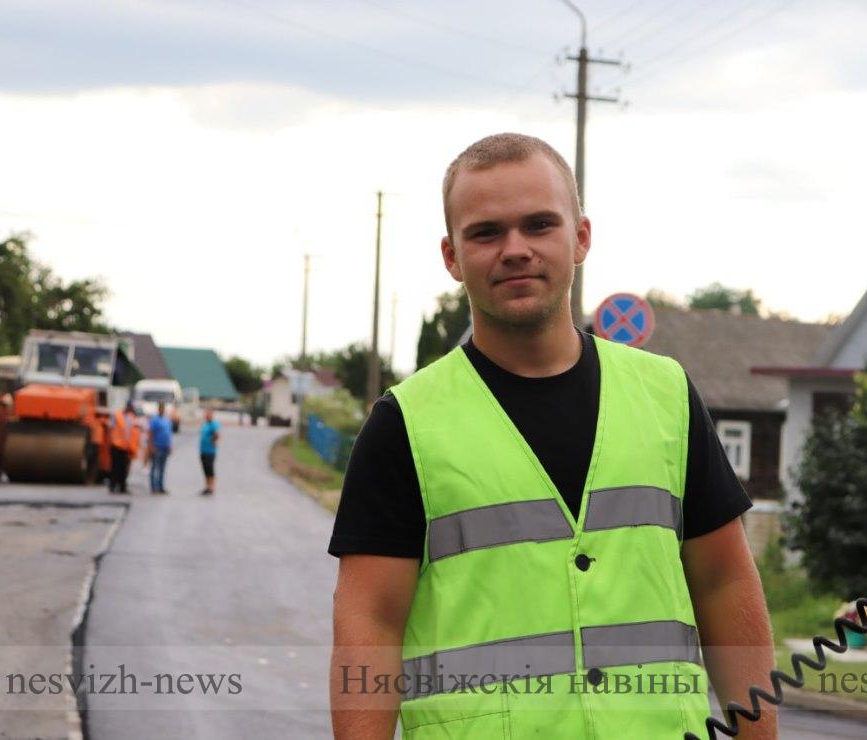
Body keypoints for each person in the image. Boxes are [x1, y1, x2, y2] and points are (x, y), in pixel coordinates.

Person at [328, 134, 778, 739]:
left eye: (539, 225)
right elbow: (370, 626)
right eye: (486, 233)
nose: (516, 250)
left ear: (581, 237)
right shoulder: (404, 423)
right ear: (452, 256)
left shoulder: (665, 394)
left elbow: (724, 581)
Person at [107, 402, 139, 494]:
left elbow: (133, 431)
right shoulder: (116, 415)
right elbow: (110, 428)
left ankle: (122, 487)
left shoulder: (131, 417)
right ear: (127, 407)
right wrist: (110, 443)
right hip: (116, 446)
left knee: (123, 468)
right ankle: (112, 486)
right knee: (115, 467)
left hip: (125, 447)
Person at [146, 401, 173, 494]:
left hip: (165, 447)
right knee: (155, 468)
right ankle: (154, 487)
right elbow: (150, 434)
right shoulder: (154, 420)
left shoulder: (166, 420)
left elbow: (169, 434)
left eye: (163, 408)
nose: (162, 410)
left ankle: (161, 486)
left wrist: (170, 445)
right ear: (158, 409)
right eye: (161, 408)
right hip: (156, 447)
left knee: (162, 468)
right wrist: (151, 446)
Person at [198, 408, 220, 495]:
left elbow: (217, 434)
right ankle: (207, 486)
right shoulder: (205, 424)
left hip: (210, 451)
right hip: (203, 450)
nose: (207, 416)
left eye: (208, 414)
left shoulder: (214, 424)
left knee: (210, 469)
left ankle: (211, 487)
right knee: (205, 469)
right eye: (206, 414)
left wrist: (213, 440)